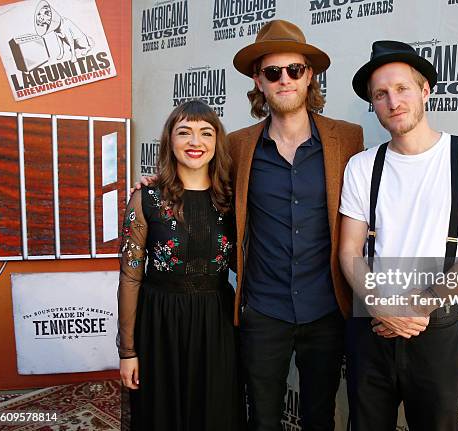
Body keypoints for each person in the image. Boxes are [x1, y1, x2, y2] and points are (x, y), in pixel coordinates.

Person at [339, 41, 458, 430]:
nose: (392, 101)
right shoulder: (363, 166)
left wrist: (421, 306)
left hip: (436, 331)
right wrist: (379, 304)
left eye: (402, 89)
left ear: (425, 90)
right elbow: (349, 249)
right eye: (380, 94)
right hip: (372, 329)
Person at [229, 20, 363, 431]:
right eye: (273, 72)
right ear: (259, 80)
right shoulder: (238, 145)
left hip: (326, 307)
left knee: (320, 416)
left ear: (310, 76)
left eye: (294, 70)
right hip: (263, 308)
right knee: (262, 416)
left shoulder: (347, 139)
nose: (284, 79)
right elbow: (202, 193)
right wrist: (155, 187)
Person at [117, 100, 242, 430]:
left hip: (216, 323)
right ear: (169, 141)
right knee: (161, 414)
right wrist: (128, 351)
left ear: (217, 142)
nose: (195, 142)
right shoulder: (146, 198)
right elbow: (130, 278)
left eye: (205, 133)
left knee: (214, 413)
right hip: (159, 322)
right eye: (184, 132)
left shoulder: (232, 200)